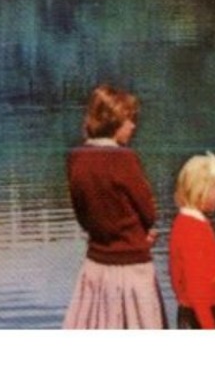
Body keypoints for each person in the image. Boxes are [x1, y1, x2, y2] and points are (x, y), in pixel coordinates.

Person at [62, 83, 166, 329]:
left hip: (96, 265)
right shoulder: (124, 158)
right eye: (129, 120)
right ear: (113, 121)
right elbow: (148, 212)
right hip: (131, 267)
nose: (133, 126)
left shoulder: (76, 157)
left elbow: (83, 216)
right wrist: (140, 233)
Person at [169, 151, 215, 329]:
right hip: (204, 313)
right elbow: (195, 285)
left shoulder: (187, 223)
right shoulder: (192, 229)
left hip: (195, 310)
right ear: (202, 190)